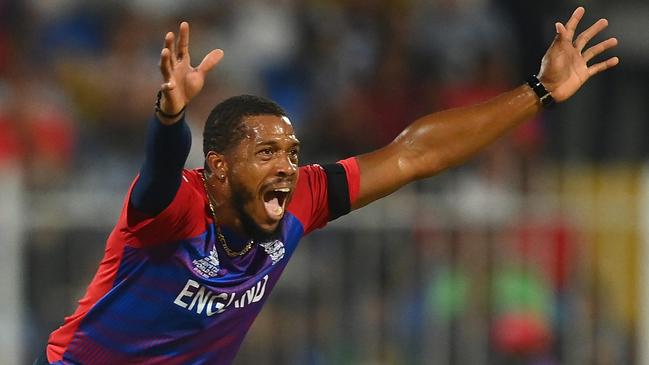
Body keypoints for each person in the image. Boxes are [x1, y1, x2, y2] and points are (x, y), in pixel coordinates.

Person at [36, 7, 618, 365]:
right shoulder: (173, 208)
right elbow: (162, 166)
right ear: (216, 168)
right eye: (266, 152)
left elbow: (414, 155)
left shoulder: (303, 198)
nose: (288, 167)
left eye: (292, 152)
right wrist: (168, 117)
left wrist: (536, 92)